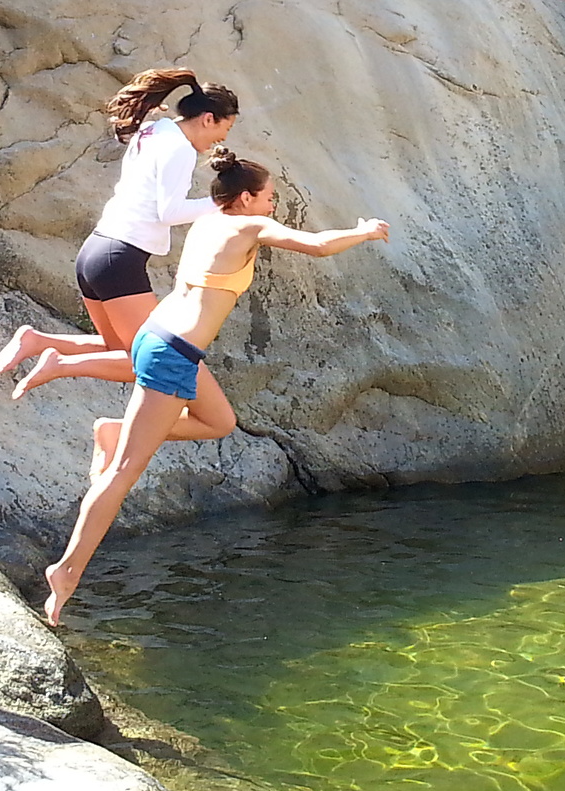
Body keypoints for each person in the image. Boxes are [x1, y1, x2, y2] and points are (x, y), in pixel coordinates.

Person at [42, 148, 386, 622]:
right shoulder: (248, 226)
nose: (272, 206)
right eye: (269, 198)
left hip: (158, 337)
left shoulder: (208, 221)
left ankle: (114, 430)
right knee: (123, 472)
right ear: (246, 198)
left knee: (220, 421)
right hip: (171, 352)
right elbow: (320, 245)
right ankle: (67, 570)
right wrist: (364, 232)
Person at [0, 67, 239, 398]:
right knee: (149, 362)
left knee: (116, 347)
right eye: (225, 128)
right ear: (208, 118)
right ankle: (58, 363)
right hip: (119, 260)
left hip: (96, 251)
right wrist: (221, 204)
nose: (222, 139)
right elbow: (170, 213)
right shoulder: (179, 149)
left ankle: (38, 341)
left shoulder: (154, 130)